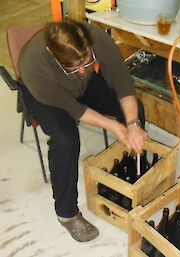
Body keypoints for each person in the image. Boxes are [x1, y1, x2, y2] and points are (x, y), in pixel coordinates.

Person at [18, 21, 147, 242]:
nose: (81, 71)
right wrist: (114, 126)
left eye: (86, 62)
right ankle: (66, 214)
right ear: (52, 53)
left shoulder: (94, 37)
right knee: (66, 138)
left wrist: (133, 124)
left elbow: (121, 80)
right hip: (45, 96)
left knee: (133, 110)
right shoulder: (34, 65)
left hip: (80, 87)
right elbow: (74, 109)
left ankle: (136, 173)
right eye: (73, 67)